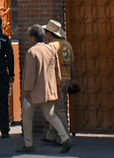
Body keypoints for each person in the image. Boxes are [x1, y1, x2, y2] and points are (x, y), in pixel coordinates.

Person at [18, 24, 71, 154]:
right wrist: (57, 86)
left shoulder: (32, 52)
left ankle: (28, 144)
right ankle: (65, 138)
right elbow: (57, 70)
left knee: (27, 117)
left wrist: (25, 91)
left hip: (34, 92)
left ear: (33, 37)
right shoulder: (50, 50)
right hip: (49, 90)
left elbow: (30, 74)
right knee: (51, 116)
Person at [42, 20, 75, 144]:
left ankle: (65, 136)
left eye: (46, 33)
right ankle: (51, 135)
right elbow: (72, 63)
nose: (45, 35)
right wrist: (74, 78)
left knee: (59, 110)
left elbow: (50, 65)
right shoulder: (67, 44)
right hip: (67, 79)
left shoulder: (52, 46)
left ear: (50, 34)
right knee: (54, 108)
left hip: (57, 81)